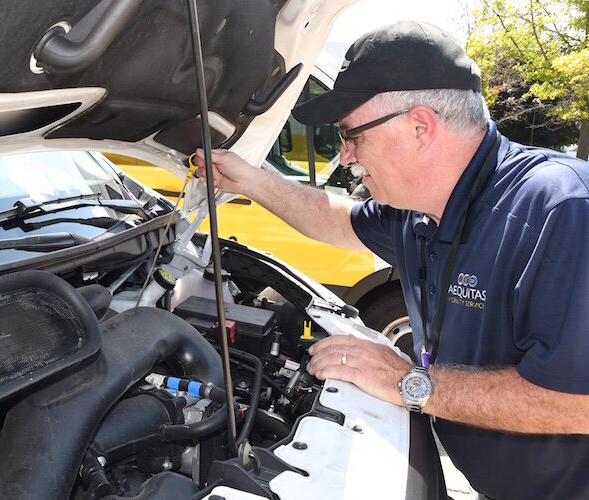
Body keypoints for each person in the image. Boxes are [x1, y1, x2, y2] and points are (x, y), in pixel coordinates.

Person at [195, 20, 589, 500]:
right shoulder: (421, 212)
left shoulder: (560, 209)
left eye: (351, 135)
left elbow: (579, 402)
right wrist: (249, 180)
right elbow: (338, 220)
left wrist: (409, 382)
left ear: (420, 126)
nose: (345, 156)